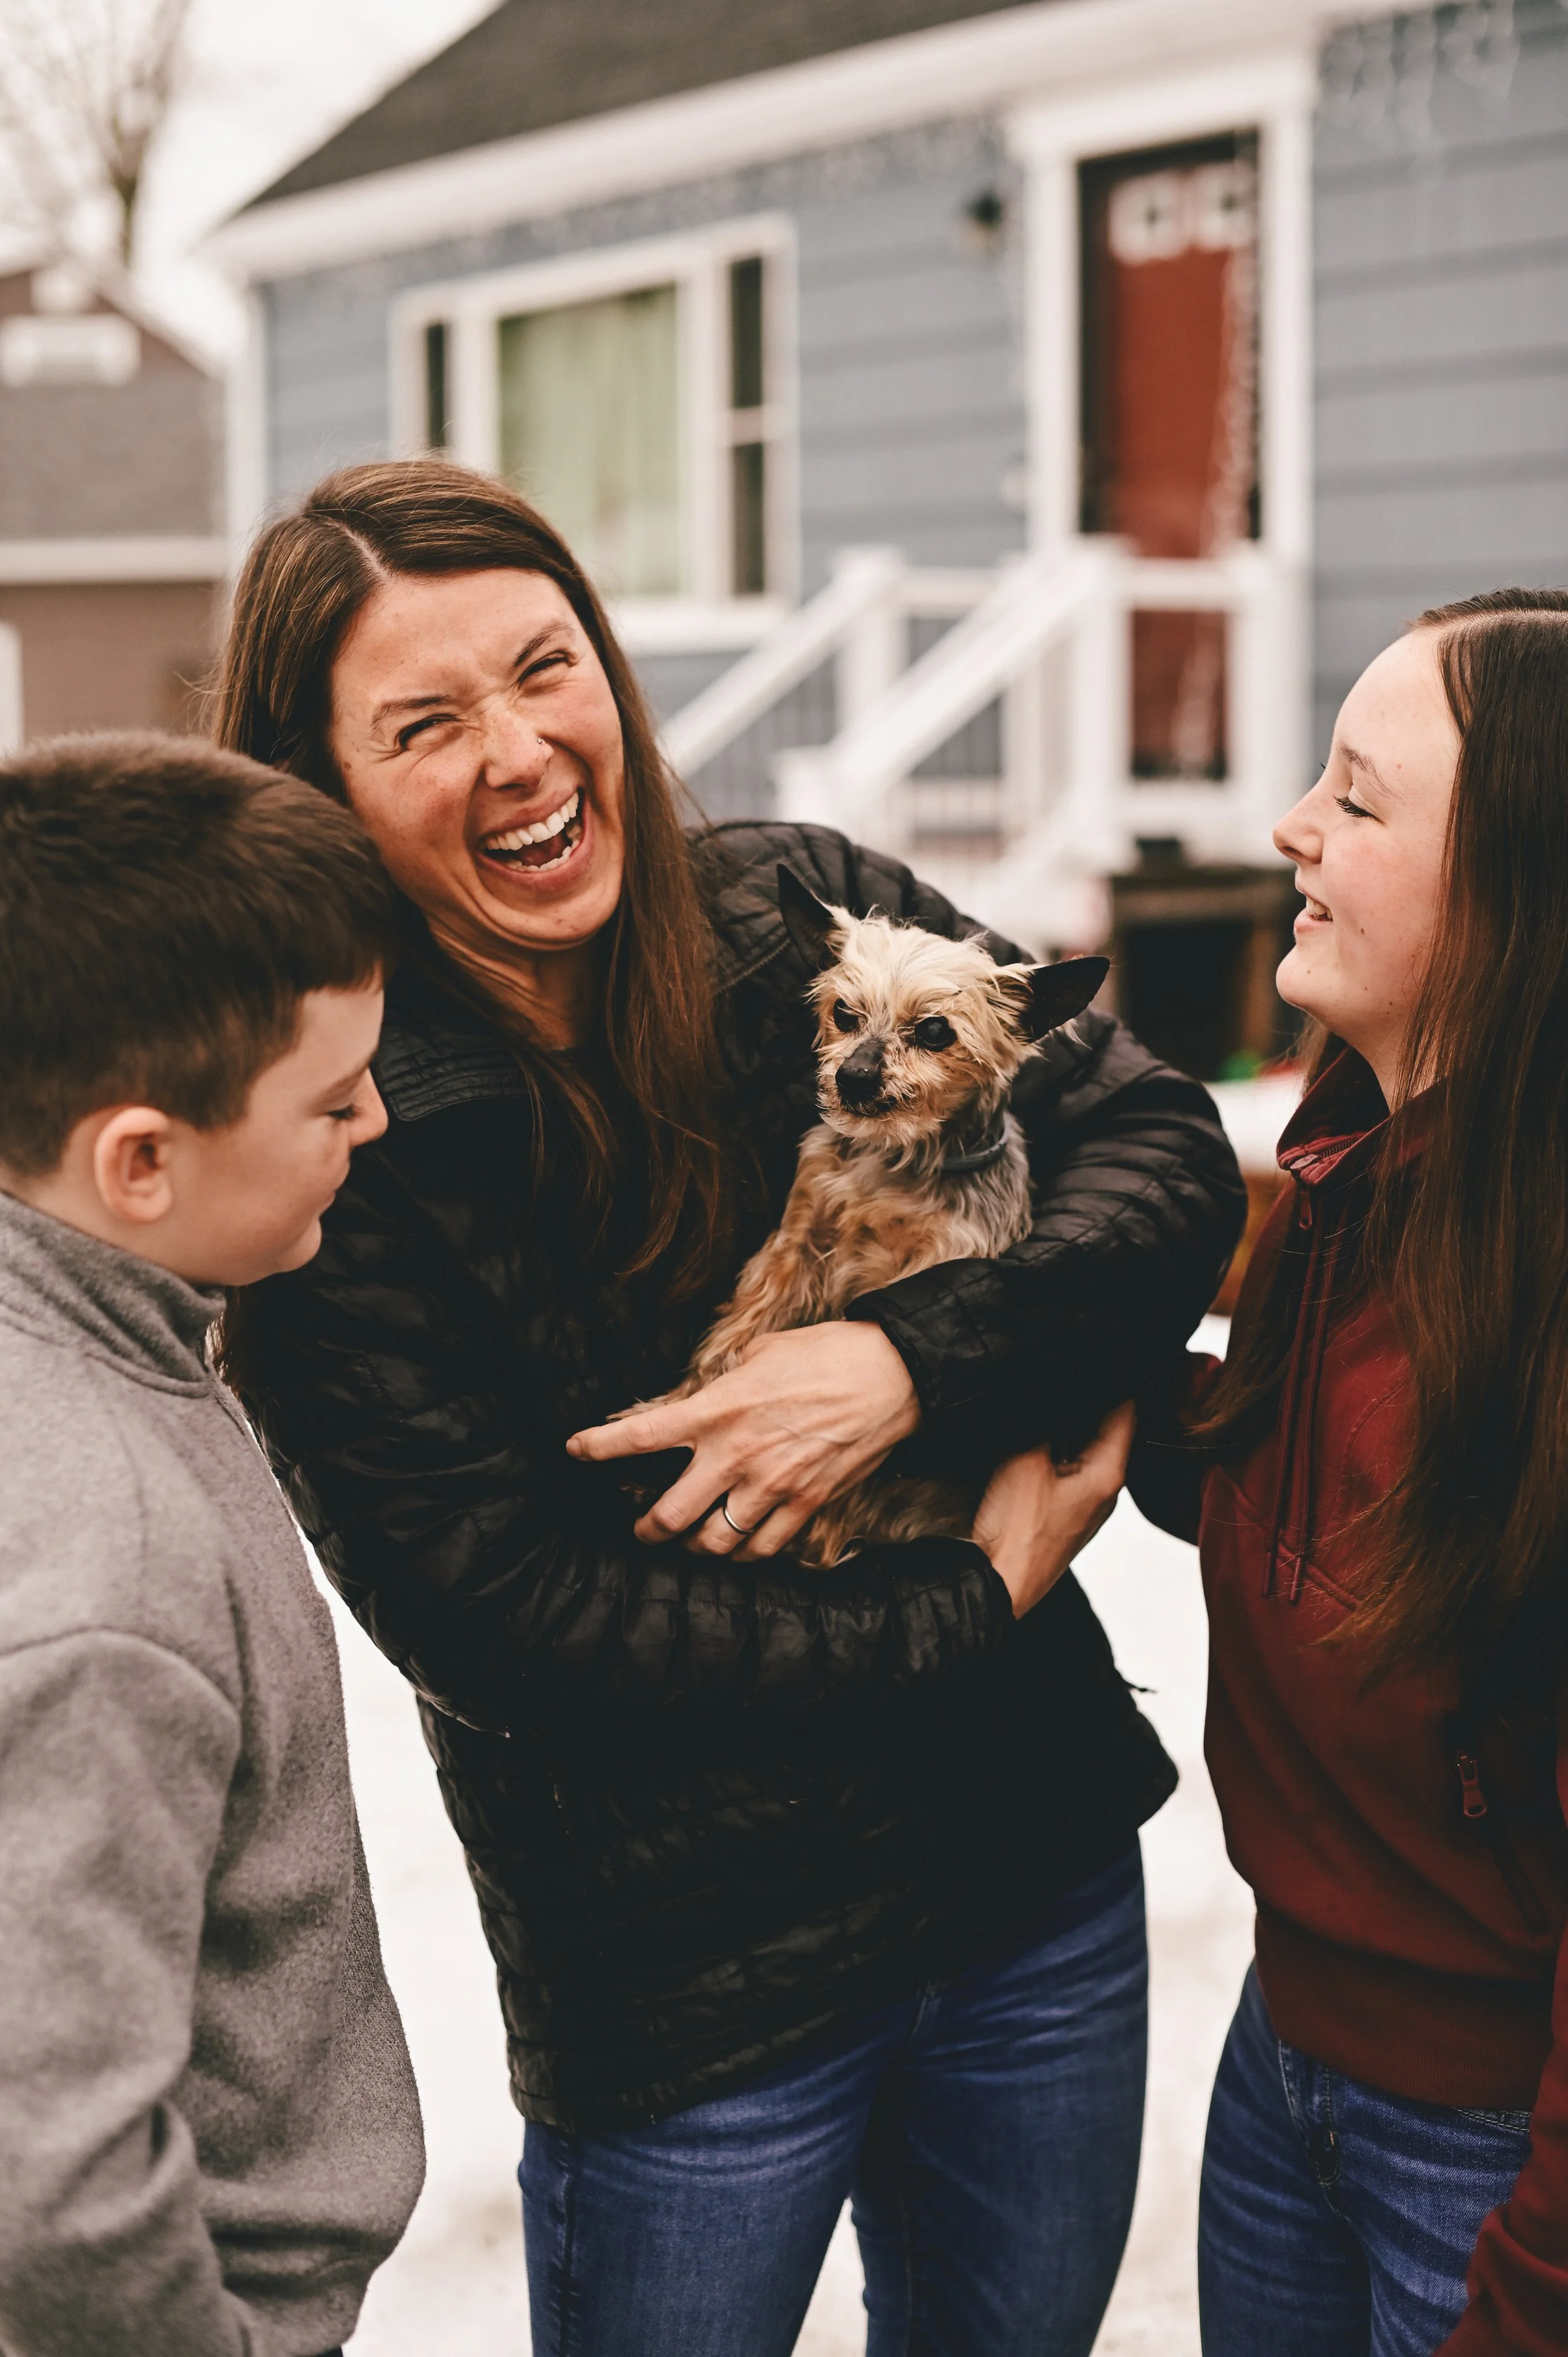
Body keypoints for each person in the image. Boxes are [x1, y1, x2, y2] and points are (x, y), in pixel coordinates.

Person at [214, 457, 1245, 2357]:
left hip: (1024, 1879)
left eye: (545, 668)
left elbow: (1161, 1149)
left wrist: (910, 1361)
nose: (520, 750)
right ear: (327, 788)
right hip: (698, 1991)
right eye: (426, 723)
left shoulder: (807, 910)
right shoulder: (326, 1138)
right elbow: (512, 1620)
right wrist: (970, 1595)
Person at [1131, 590, 1568, 2356]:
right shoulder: (1345, 1175)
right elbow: (1280, 1480)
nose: (1287, 828)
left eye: (1357, 800)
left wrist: (1525, 2306)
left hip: (1478, 2147)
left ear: (1513, 890)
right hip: (1287, 2061)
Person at [0, 734, 425, 2357]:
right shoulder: (103, 1569)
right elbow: (55, 2177)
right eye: (330, 1096)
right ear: (141, 1159)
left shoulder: (81, 1329)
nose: (375, 1118)